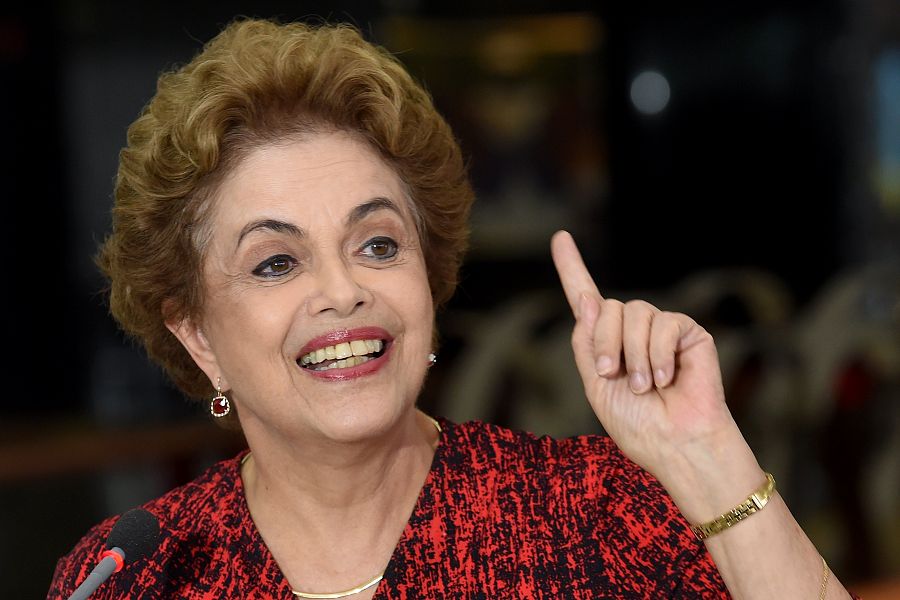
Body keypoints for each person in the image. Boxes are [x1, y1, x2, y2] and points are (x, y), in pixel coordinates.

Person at [47, 18, 856, 600]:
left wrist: (707, 455)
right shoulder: (133, 573)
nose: (342, 291)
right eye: (277, 262)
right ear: (196, 334)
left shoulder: (593, 515)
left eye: (377, 245)